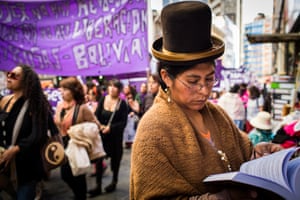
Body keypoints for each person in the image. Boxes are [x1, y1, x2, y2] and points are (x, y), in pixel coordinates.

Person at [130, 2, 283, 199]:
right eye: (193, 81)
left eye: (209, 79)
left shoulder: (217, 114)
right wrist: (221, 197)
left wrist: (259, 156)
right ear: (167, 77)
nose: (204, 90)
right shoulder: (153, 130)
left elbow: (241, 153)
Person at [0, 64, 51, 199]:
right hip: (4, 164)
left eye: (14, 75)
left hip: (27, 167)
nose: (9, 77)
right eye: (9, 74)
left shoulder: (36, 104)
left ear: (26, 81)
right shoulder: (5, 101)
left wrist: (15, 149)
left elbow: (38, 135)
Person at [54, 77, 101, 200]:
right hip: (63, 145)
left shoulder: (82, 108)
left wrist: (79, 130)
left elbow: (95, 125)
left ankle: (80, 196)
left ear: (73, 91)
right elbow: (57, 123)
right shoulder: (60, 106)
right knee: (65, 175)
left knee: (78, 174)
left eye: (65, 89)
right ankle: (78, 195)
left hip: (77, 145)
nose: (62, 92)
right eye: (61, 89)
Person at [90, 79, 128, 197]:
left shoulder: (122, 104)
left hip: (115, 138)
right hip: (102, 136)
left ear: (119, 89)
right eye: (110, 85)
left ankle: (114, 181)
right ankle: (98, 185)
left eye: (115, 86)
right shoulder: (103, 99)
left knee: (115, 161)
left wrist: (111, 128)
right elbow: (96, 116)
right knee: (99, 159)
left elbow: (123, 122)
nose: (112, 88)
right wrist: (100, 126)